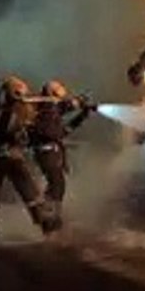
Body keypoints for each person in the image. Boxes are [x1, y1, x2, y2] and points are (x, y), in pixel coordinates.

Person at [0, 75, 57, 240]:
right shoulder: (6, 112)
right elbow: (13, 129)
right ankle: (46, 225)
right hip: (8, 157)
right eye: (21, 92)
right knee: (29, 191)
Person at [29, 80, 93, 232]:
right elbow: (59, 131)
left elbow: (66, 107)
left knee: (56, 185)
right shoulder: (46, 110)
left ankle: (51, 218)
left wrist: (82, 107)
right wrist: (81, 113)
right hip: (47, 153)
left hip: (49, 152)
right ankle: (48, 219)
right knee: (57, 185)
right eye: (59, 87)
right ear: (53, 92)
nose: (64, 88)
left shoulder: (50, 107)